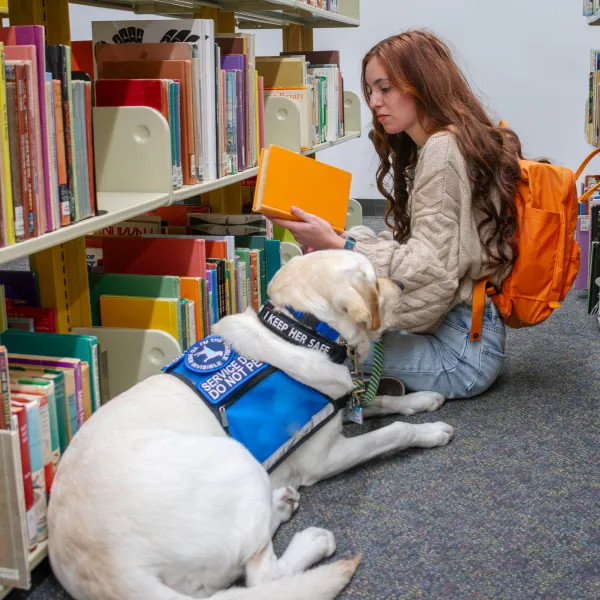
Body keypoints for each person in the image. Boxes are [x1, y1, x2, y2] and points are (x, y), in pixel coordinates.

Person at [270, 30, 523, 399]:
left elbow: (430, 272)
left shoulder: (442, 150)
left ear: (422, 83)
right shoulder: (446, 142)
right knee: (312, 332)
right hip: (460, 328)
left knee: (301, 347)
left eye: (384, 88)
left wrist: (342, 243)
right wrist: (344, 239)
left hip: (460, 353)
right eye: (370, 90)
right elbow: (434, 254)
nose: (374, 101)